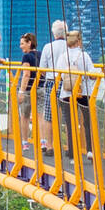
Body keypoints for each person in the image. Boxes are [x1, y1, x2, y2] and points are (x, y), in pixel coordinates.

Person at [59, 30, 96, 164]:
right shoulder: (84, 55)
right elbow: (92, 74)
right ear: (79, 41)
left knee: (70, 124)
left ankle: (73, 156)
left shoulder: (63, 57)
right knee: (87, 122)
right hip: (84, 92)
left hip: (67, 93)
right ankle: (90, 150)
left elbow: (59, 75)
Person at [38, 20, 71, 154]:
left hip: (52, 82)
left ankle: (50, 146)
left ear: (53, 33)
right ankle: (70, 147)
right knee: (69, 116)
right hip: (68, 82)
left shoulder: (48, 47)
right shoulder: (70, 46)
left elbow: (42, 68)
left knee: (49, 115)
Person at [16, 33, 38, 149]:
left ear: (29, 43)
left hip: (29, 89)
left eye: (22, 43)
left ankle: (25, 142)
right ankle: (43, 142)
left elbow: (26, 74)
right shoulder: (40, 54)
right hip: (40, 88)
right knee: (40, 116)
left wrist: (21, 91)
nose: (20, 46)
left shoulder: (26, 57)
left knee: (25, 116)